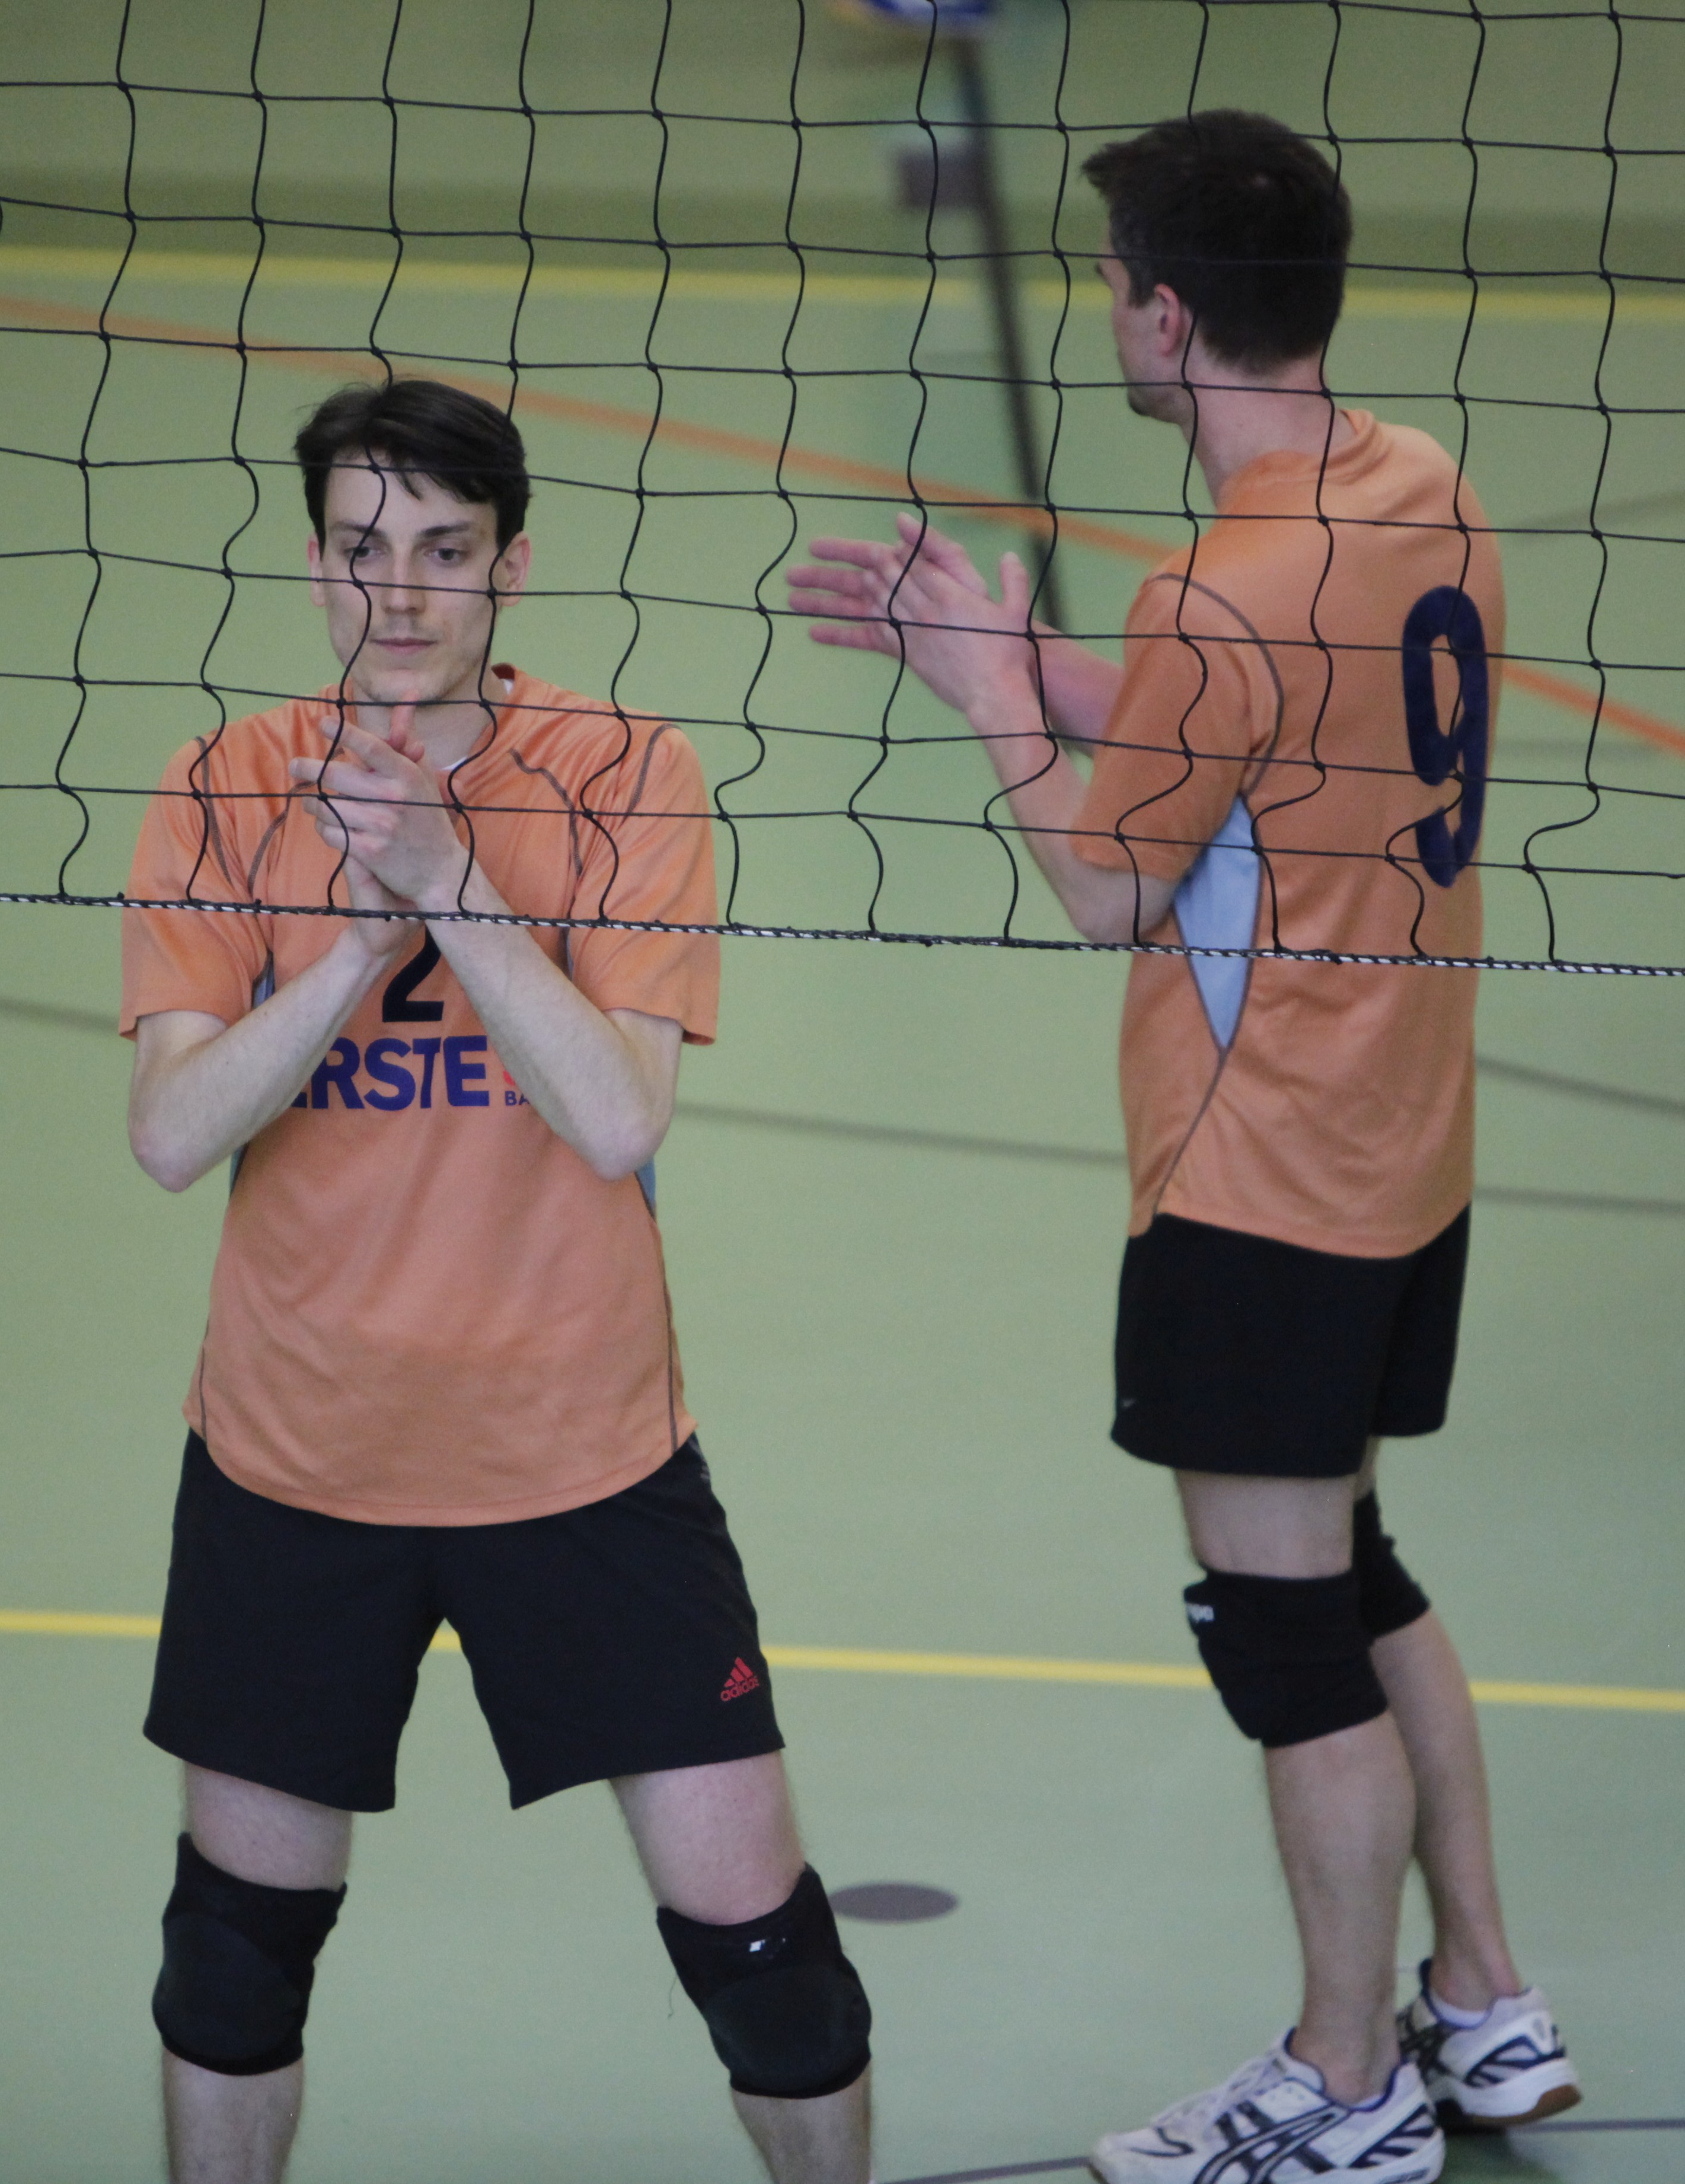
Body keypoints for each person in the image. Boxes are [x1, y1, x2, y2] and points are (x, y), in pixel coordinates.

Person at [788, 109, 1578, 2184]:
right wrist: (1025, 655)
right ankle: (1487, 2000)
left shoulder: (1225, 590)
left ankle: (1346, 2080)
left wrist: (990, 702)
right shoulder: (1419, 490)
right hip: (1406, 1155)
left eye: (1111, 282)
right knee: (1360, 1572)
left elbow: (1110, 881)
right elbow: (1248, 728)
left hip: (1260, 1181)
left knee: (1287, 1636)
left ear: (1159, 316)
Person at [121, 376, 873, 2184]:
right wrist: (350, 953)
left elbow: (617, 1115)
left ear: (511, 565)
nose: (398, 594)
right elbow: (169, 1131)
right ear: (314, 562)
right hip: (297, 1458)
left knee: (773, 1974)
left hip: (580, 1455)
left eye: (444, 552)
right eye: (361, 549)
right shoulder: (223, 783)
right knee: (230, 1960)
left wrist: (448, 878)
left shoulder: (627, 775)